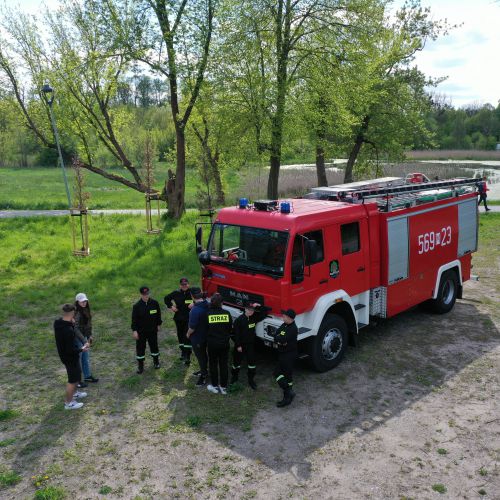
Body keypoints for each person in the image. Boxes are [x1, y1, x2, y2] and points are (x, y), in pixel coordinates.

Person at [54, 303, 90, 410]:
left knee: (77, 374)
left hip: (66, 356)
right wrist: (82, 349)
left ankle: (75, 394)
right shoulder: (67, 330)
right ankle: (68, 403)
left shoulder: (60, 323)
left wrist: (72, 324)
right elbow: (70, 349)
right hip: (70, 357)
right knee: (72, 380)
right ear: (72, 313)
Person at [231, 301, 268, 389]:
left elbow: (264, 313)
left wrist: (259, 306)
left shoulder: (254, 318)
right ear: (245, 309)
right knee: (236, 363)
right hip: (240, 346)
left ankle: (251, 380)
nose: (251, 312)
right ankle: (234, 378)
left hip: (250, 345)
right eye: (249, 310)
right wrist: (238, 345)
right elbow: (236, 334)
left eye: (252, 310)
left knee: (252, 364)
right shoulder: (239, 320)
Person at [131, 286, 162, 374]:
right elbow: (134, 320)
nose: (146, 296)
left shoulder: (154, 303)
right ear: (141, 294)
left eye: (147, 294)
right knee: (140, 348)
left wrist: (159, 324)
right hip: (141, 332)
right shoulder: (136, 306)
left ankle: (156, 362)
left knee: (154, 346)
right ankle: (141, 366)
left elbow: (158, 315)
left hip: (152, 330)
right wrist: (134, 331)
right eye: (144, 295)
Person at [206, 293, 233, 395]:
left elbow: (205, 328)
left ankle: (214, 385)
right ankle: (223, 386)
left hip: (212, 344)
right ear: (222, 303)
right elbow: (230, 328)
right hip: (224, 344)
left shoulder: (208, 314)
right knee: (223, 364)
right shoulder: (227, 313)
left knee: (213, 364)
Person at [164, 277, 193, 365]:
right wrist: (171, 306)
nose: (184, 286)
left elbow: (203, 296)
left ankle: (188, 355)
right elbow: (166, 298)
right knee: (180, 335)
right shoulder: (176, 293)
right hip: (179, 318)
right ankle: (183, 352)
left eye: (186, 284)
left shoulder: (192, 292)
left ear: (188, 284)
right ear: (180, 285)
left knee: (187, 335)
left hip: (189, 318)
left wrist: (194, 303)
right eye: (182, 285)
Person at [273, 309, 298, 408]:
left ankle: (287, 398)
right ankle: (289, 392)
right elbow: (276, 335)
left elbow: (282, 339)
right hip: (283, 354)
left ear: (289, 318)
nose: (282, 318)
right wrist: (280, 341)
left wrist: (280, 340)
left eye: (284, 316)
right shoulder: (284, 325)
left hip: (289, 355)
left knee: (286, 376)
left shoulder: (293, 329)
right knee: (277, 373)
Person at [186, 287, 209, 387]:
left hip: (198, 338)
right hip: (208, 335)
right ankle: (204, 370)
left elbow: (192, 327)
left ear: (192, 296)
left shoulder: (194, 311)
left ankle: (203, 376)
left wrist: (188, 334)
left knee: (201, 356)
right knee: (204, 355)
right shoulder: (208, 304)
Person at [74, 292, 99, 384]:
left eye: (85, 301)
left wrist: (89, 335)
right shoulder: (77, 313)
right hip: (78, 339)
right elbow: (75, 329)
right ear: (77, 302)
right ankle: (78, 380)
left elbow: (88, 325)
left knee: (85, 357)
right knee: (79, 360)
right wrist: (84, 341)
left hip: (84, 337)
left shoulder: (86, 310)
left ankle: (87, 376)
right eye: (82, 301)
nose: (84, 303)